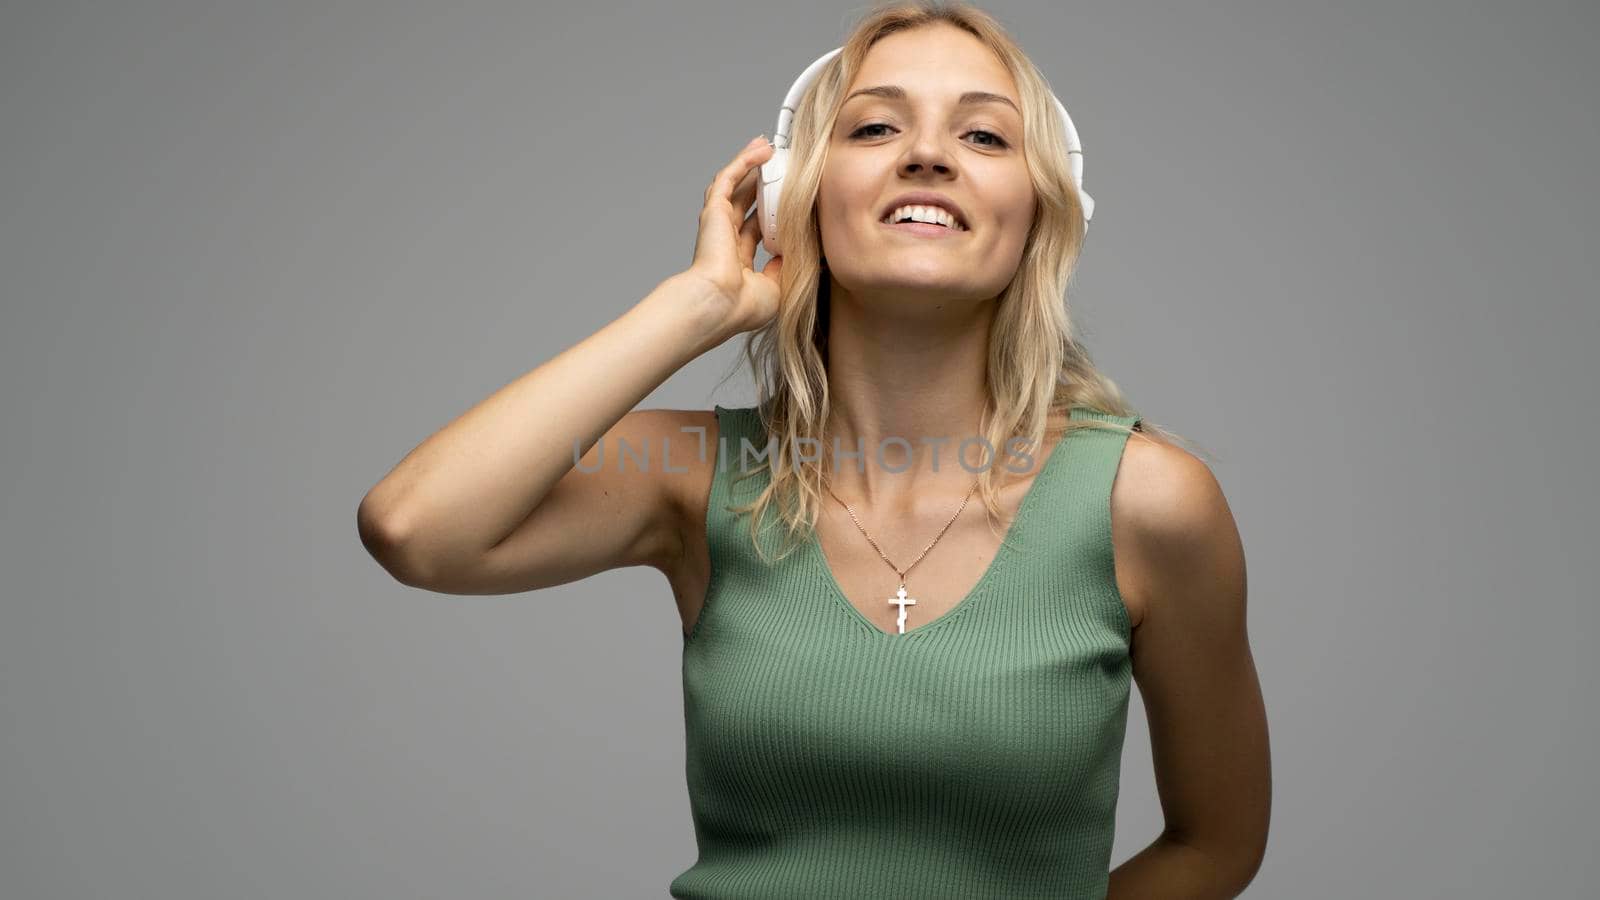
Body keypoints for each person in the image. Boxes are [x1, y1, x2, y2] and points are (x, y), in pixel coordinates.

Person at [357, 2, 1270, 896]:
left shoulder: (1143, 501)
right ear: (799, 191)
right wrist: (701, 305)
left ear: (1039, 214)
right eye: (874, 127)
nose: (928, 154)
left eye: (986, 138)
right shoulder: (694, 478)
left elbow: (1215, 846)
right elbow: (416, 529)